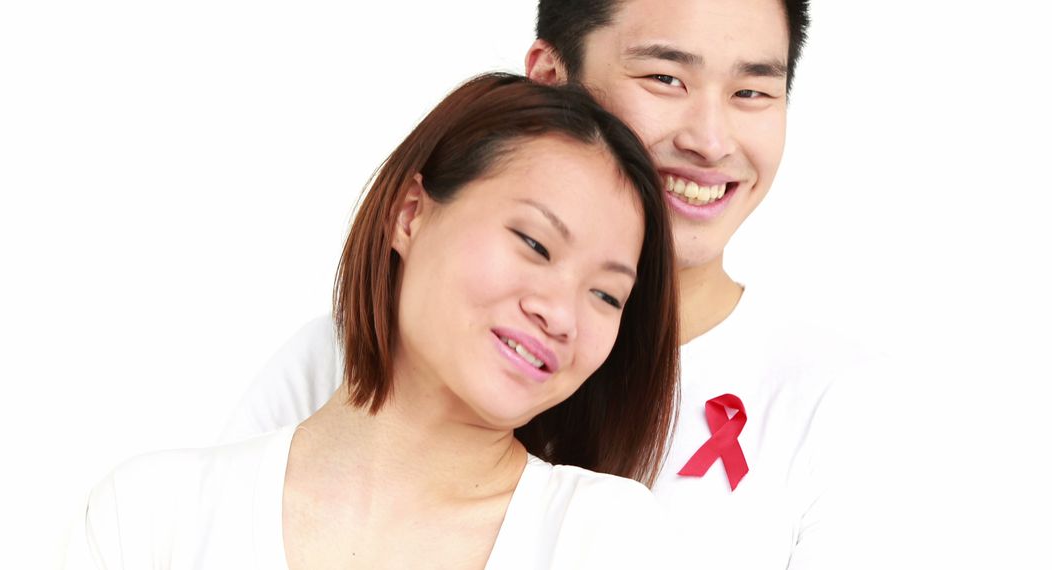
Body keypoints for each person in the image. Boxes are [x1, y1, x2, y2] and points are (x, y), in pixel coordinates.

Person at [224, 0, 876, 568]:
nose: (710, 140)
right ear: (550, 77)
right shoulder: (341, 363)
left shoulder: (831, 404)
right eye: (664, 77)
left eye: (753, 92)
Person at [65, 73, 683, 569]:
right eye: (534, 243)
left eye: (606, 296)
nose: (561, 314)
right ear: (410, 213)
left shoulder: (607, 540)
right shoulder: (149, 516)